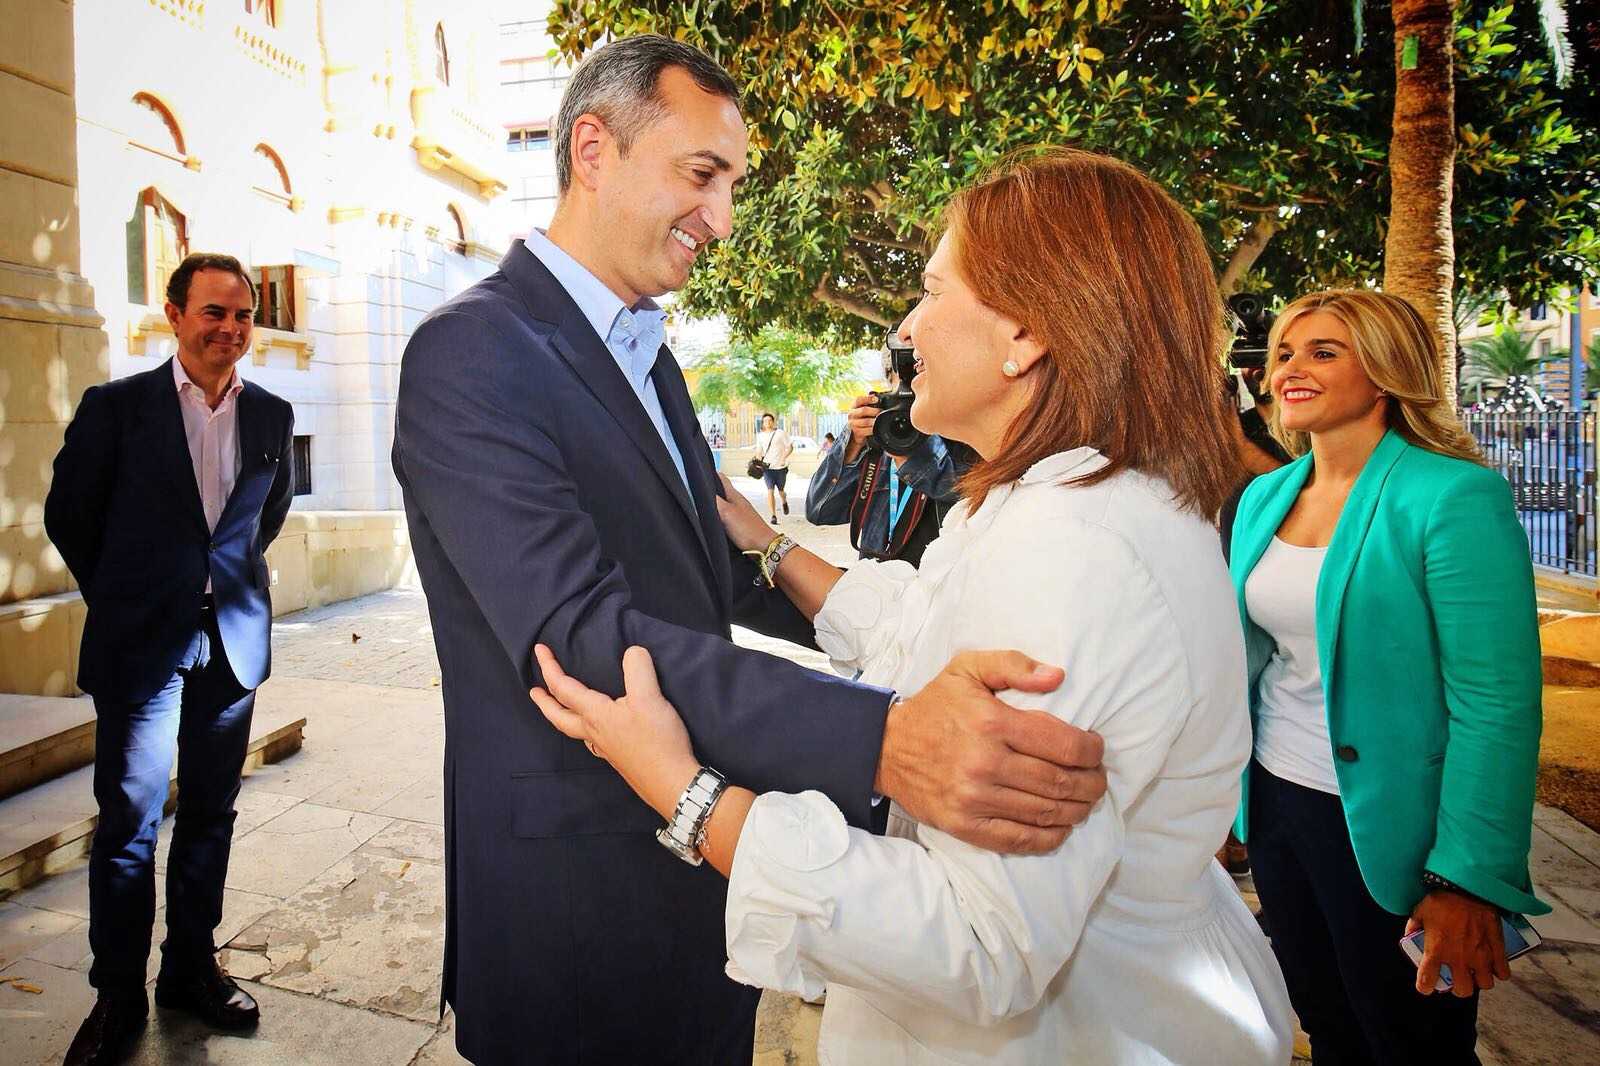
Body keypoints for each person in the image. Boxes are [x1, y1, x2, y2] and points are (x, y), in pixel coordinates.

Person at [391, 37, 1107, 1066]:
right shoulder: (473, 349)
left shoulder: (650, 355)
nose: (722, 219)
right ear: (592, 150)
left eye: (730, 184)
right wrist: (882, 739)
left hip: (700, 860)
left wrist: (910, 626)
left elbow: (707, 566)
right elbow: (577, 634)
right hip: (573, 896)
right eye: (701, 175)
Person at [530, 147, 1294, 1065]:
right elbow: (925, 626)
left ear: (1025, 333)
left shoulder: (1074, 550)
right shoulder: (1062, 505)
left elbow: (980, 940)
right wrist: (769, 545)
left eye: (932, 292)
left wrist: (686, 793)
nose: (906, 327)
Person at [1229, 289, 1549, 1064]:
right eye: (1284, 353)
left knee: (1414, 1046)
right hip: (1276, 805)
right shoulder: (1265, 496)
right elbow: (1255, 660)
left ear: (1385, 371)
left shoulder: (1451, 495)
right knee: (1328, 1026)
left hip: (1394, 830)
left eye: (1324, 352)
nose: (1291, 369)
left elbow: (1496, 704)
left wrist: (1467, 879)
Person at [45, 253, 296, 1066]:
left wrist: (216, 588)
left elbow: (262, 522)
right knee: (128, 824)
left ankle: (190, 968)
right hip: (141, 646)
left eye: (243, 314)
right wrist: (131, 595)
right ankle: (117, 993)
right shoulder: (116, 409)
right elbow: (70, 516)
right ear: (175, 314)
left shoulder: (272, 415)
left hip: (232, 646)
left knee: (212, 814)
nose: (230, 327)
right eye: (214, 311)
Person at [807, 390, 965, 567]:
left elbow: (963, 495)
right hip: (881, 578)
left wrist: (917, 456)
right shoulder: (881, 442)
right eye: (897, 384)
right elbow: (820, 511)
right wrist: (852, 444)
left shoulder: (965, 433)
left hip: (941, 578)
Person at [753, 411, 793, 521]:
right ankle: (773, 515)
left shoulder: (780, 433)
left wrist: (783, 458)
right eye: (765, 421)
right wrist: (758, 463)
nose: (768, 423)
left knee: (781, 491)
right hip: (768, 468)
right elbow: (759, 451)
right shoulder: (760, 436)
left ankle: (784, 501)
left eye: (770, 421)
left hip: (780, 468)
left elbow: (790, 447)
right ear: (763, 423)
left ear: (773, 422)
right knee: (770, 490)